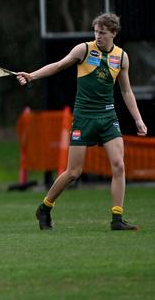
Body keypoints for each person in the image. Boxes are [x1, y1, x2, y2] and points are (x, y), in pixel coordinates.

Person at [16, 13, 147, 231]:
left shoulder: (122, 57)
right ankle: (45, 207)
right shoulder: (83, 50)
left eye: (103, 33)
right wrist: (31, 76)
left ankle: (117, 218)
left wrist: (138, 120)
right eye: (96, 32)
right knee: (73, 173)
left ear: (114, 33)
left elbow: (126, 90)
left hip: (108, 118)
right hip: (84, 117)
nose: (98, 37)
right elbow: (58, 66)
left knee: (119, 165)